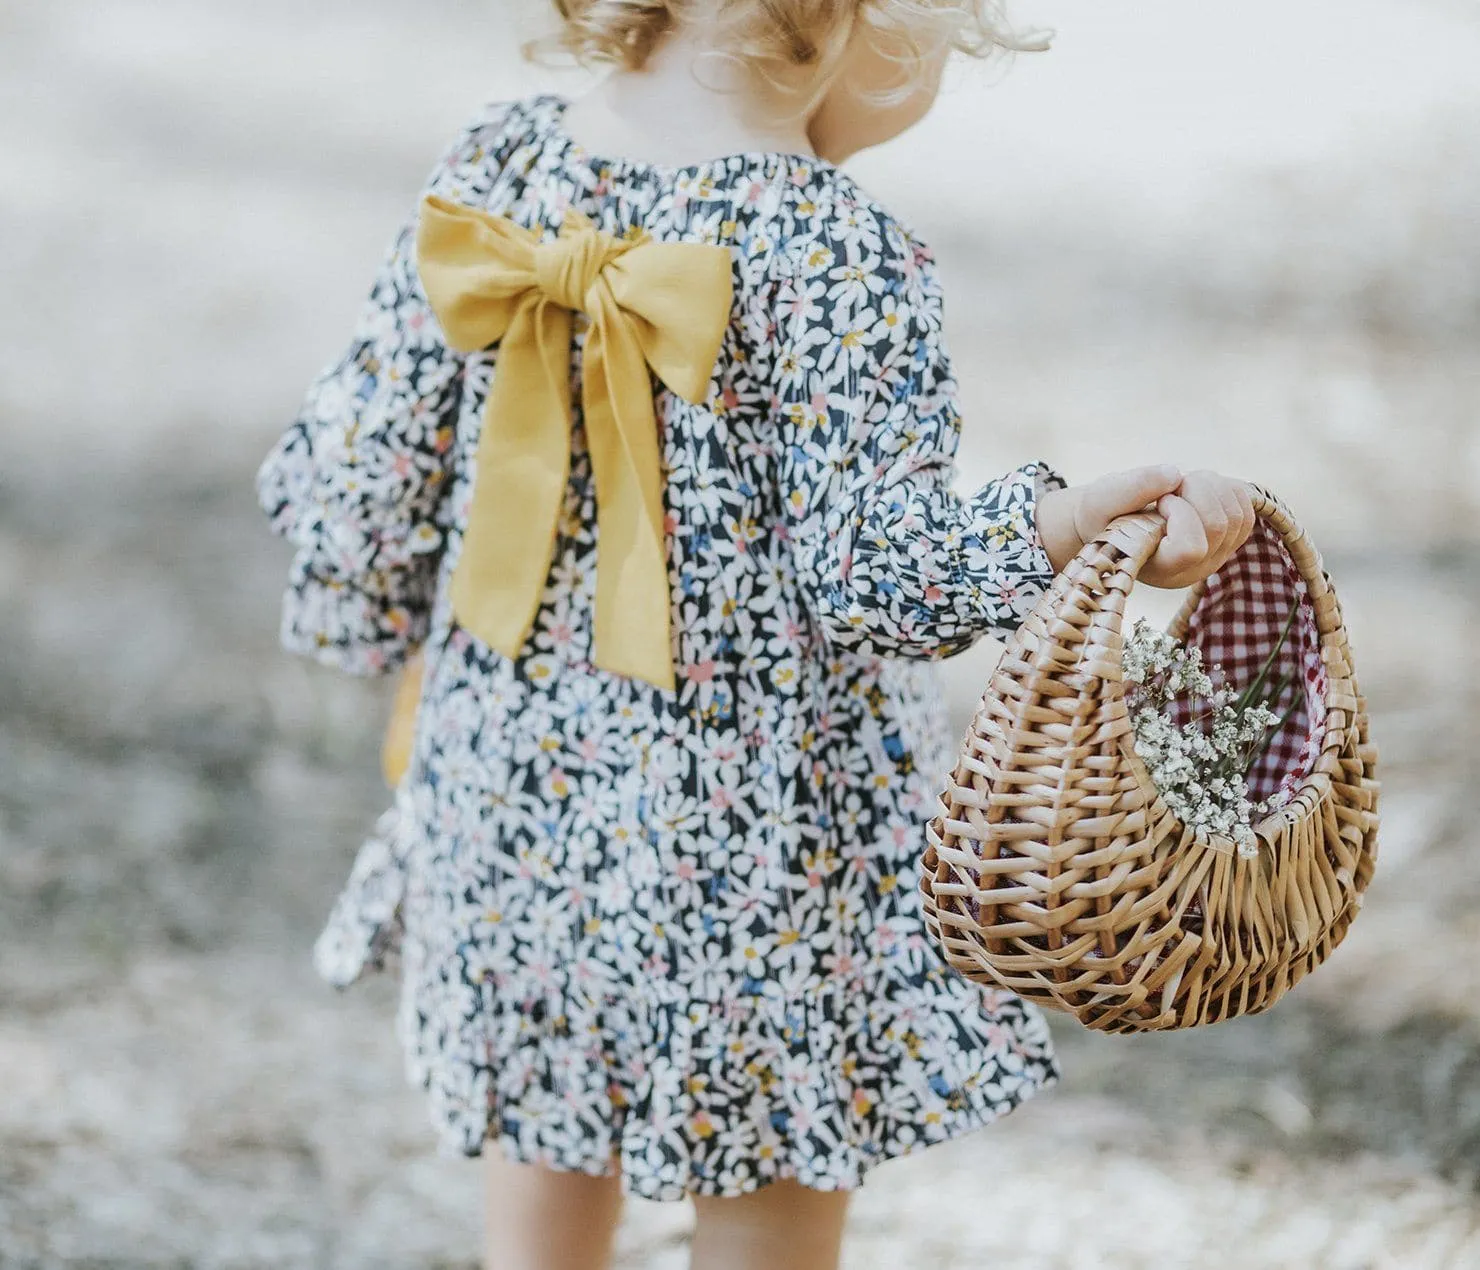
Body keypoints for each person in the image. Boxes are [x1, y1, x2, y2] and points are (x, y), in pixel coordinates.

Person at [256, 4, 1256, 1267]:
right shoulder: (833, 246)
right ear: (854, 21)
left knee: (547, 1134)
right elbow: (875, 570)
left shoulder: (497, 168)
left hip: (511, 811)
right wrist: (1059, 530)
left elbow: (362, 465)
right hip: (763, 863)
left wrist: (370, 626)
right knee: (772, 1162)